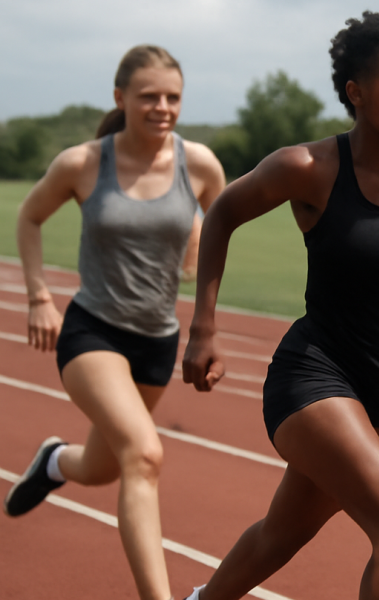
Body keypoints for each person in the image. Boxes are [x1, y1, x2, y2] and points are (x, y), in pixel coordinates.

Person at [179, 11, 379, 600]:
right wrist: (203, 327)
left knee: (284, 533)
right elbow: (221, 213)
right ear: (356, 92)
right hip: (313, 376)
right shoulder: (308, 168)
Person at [5, 45, 226, 600]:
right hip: (92, 332)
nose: (162, 107)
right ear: (120, 98)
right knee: (145, 454)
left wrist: (203, 295)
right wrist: (38, 297)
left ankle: (56, 461)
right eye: (149, 96)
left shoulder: (198, 164)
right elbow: (29, 217)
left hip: (158, 340)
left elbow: (219, 231)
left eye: (173, 97)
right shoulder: (83, 162)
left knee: (105, 466)